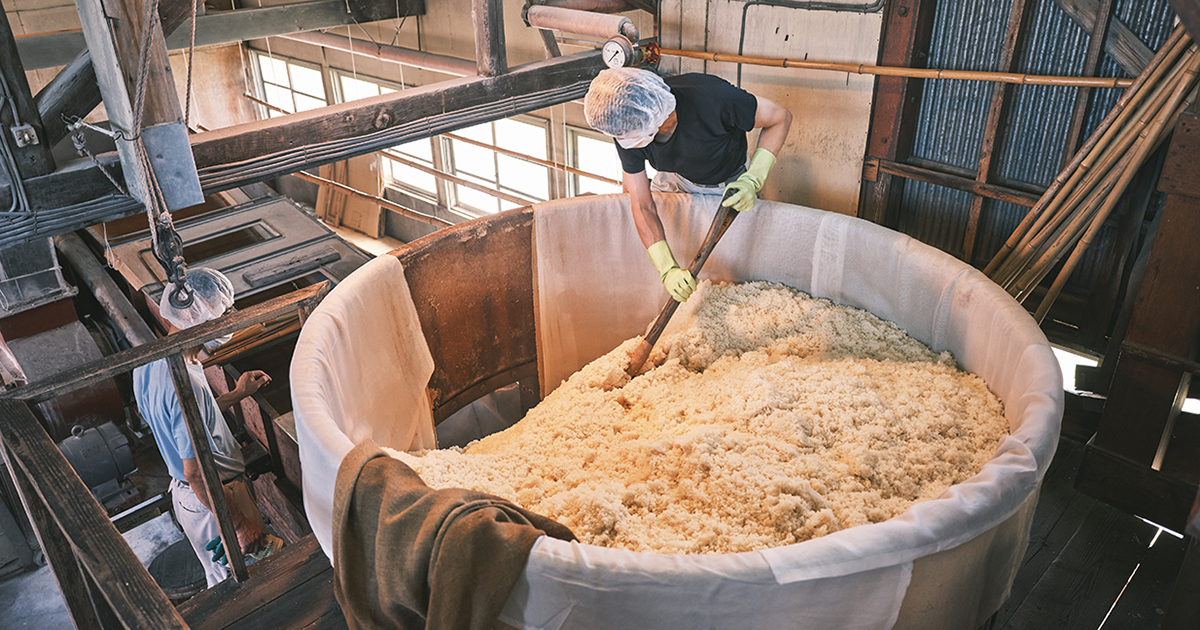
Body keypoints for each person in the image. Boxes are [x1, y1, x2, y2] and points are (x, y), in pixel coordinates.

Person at [584, 67, 793, 303]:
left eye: (626, 136)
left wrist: (753, 179)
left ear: (654, 119)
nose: (622, 141)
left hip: (729, 181)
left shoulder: (712, 97)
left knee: (734, 255)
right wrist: (667, 267)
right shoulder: (628, 126)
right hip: (675, 178)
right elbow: (642, 204)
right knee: (677, 244)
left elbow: (779, 117)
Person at [133, 267, 281, 587]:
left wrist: (238, 395)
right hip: (214, 500)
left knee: (220, 579)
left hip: (188, 500)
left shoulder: (147, 362)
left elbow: (186, 421)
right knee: (248, 584)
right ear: (203, 320)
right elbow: (196, 472)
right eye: (224, 312)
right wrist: (237, 524)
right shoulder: (187, 383)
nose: (231, 317)